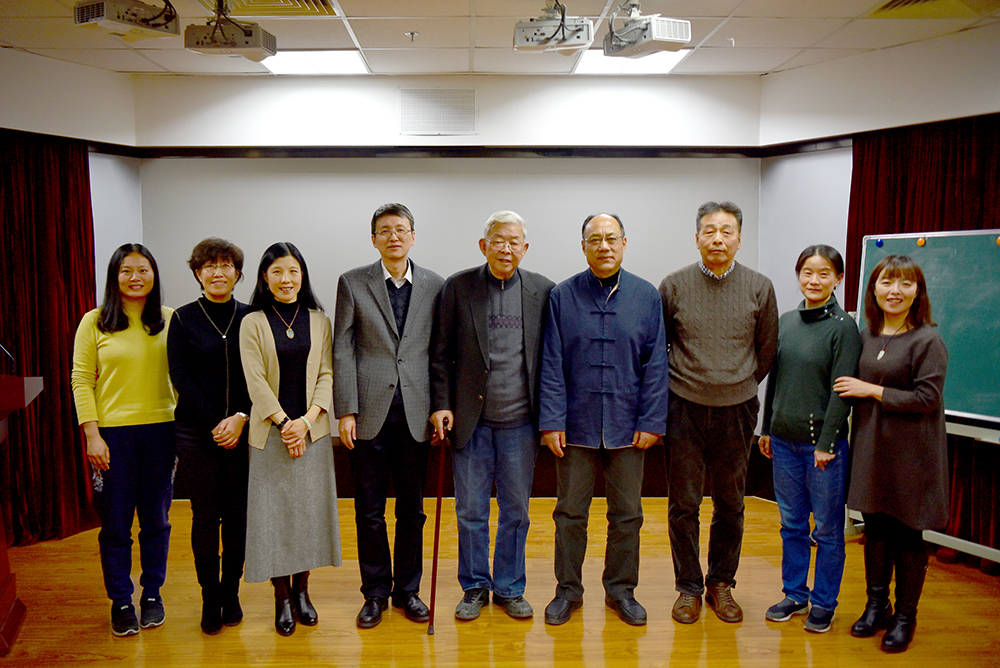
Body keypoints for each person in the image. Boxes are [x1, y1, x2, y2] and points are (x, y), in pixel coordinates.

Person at [539, 213, 669, 627]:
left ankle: (621, 590)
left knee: (627, 513)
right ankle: (567, 591)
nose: (604, 246)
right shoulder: (562, 296)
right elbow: (551, 363)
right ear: (583, 247)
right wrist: (551, 421)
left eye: (612, 238)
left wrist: (652, 421)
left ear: (624, 244)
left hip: (628, 427)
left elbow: (655, 365)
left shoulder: (646, 296)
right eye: (595, 239)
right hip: (575, 427)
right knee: (569, 514)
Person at [429, 211, 555, 621]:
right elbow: (440, 354)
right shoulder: (458, 287)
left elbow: (552, 360)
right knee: (471, 513)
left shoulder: (542, 291)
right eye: (498, 240)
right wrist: (442, 404)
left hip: (521, 423)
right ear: (484, 246)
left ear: (525, 248)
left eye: (514, 241)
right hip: (471, 423)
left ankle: (510, 587)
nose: (506, 248)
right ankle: (474, 586)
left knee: (516, 513)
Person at [659, 201, 778, 624]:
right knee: (684, 504)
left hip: (737, 410)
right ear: (697, 238)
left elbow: (766, 350)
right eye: (709, 231)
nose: (718, 239)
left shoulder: (759, 287)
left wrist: (737, 383)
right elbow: (660, 345)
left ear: (739, 239)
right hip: (683, 407)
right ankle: (688, 587)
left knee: (730, 503)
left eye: (727, 231)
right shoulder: (673, 285)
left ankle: (721, 583)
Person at [333, 203, 445, 629]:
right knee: (369, 510)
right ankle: (375, 592)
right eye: (385, 230)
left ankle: (408, 591)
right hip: (368, 414)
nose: (393, 237)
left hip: (417, 414)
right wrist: (346, 409)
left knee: (412, 511)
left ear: (413, 236)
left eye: (401, 230)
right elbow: (343, 347)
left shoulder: (435, 284)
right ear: (374, 239)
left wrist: (440, 406)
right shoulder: (352, 282)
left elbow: (440, 352)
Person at [834, 254, 948, 653]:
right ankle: (876, 606)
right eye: (886, 282)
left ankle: (904, 617)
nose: (894, 291)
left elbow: (927, 398)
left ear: (918, 291)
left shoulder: (927, 340)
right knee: (876, 528)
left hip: (912, 455)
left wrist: (872, 390)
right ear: (874, 289)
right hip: (872, 448)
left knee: (907, 533)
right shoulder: (866, 335)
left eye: (905, 284)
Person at [71, 243, 176, 637]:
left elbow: (182, 377)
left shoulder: (170, 319)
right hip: (112, 437)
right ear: (114, 276)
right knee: (115, 524)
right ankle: (120, 600)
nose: (135, 278)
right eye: (126, 271)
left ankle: (152, 594)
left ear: (154, 275)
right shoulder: (94, 321)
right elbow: (81, 379)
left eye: (143, 270)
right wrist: (92, 434)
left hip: (162, 432)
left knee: (156, 521)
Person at [758, 245, 861, 633]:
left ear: (838, 279)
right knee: (792, 525)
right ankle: (795, 594)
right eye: (807, 273)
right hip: (783, 443)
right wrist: (766, 429)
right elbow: (776, 380)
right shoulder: (786, 321)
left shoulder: (843, 327)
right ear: (798, 275)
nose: (814, 281)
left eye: (824, 274)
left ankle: (824, 602)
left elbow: (842, 392)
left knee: (828, 530)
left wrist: (827, 444)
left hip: (822, 449)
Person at [239, 242, 341, 636]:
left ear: (303, 276)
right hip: (270, 435)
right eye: (277, 271)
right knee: (274, 520)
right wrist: (285, 424)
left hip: (312, 435)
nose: (286, 279)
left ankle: (302, 592)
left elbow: (327, 374)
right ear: (265, 277)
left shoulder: (319, 320)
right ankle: (281, 596)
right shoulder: (252, 321)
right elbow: (255, 381)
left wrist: (307, 421)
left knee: (308, 519)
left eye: (293, 271)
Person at [167, 238, 251, 635]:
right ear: (198, 274)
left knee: (237, 518)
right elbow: (180, 376)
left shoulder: (252, 317)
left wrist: (240, 418)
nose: (218, 272)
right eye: (209, 266)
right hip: (196, 434)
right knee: (204, 518)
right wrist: (218, 422)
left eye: (225, 265)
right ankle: (209, 597)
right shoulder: (183, 319)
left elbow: (262, 376)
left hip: (244, 432)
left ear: (237, 273)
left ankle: (231, 592)